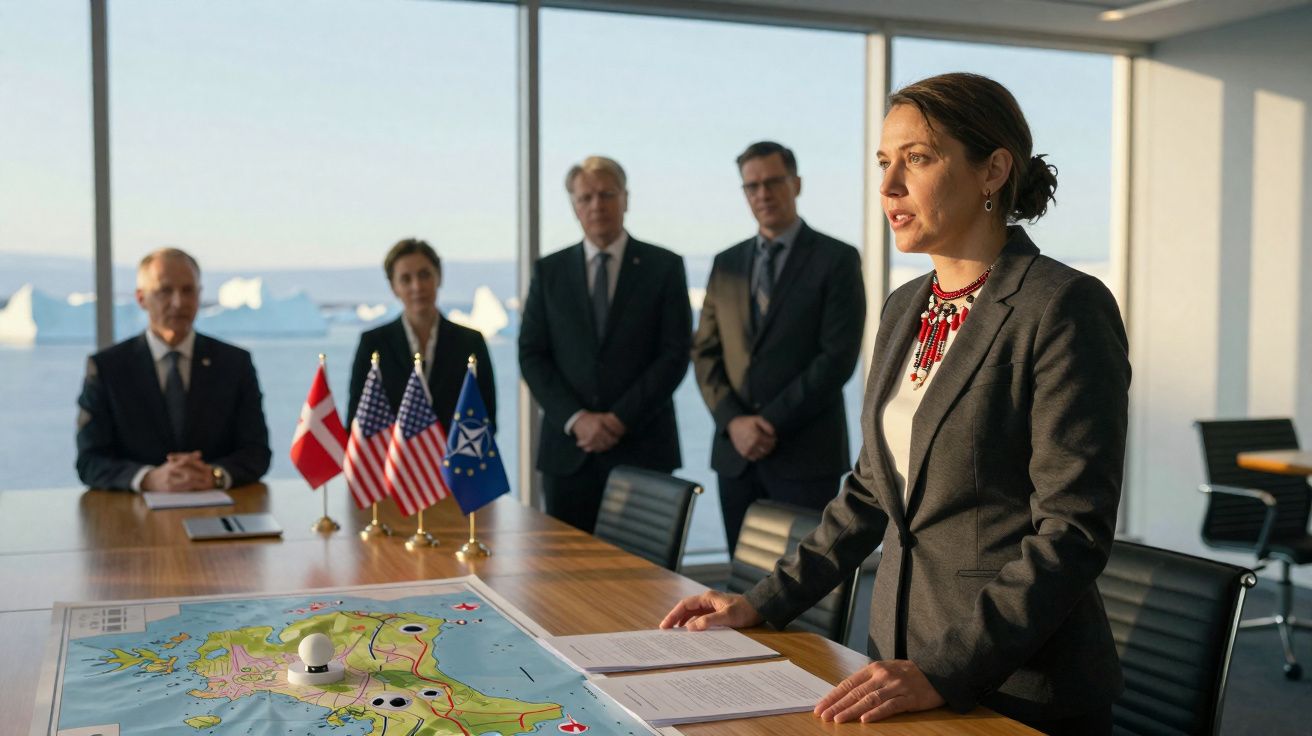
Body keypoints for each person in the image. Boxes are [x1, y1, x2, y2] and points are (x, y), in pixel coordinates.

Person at [662, 73, 1130, 736]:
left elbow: (1072, 534)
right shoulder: (904, 306)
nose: (888, 186)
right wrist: (760, 603)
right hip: (896, 662)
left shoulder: (1062, 307)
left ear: (993, 170)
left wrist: (944, 668)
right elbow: (871, 492)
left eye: (918, 159)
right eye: (884, 162)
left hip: (1017, 686)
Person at [692, 141, 866, 553]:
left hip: (804, 454)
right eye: (752, 186)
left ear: (796, 184)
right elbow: (704, 353)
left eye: (773, 182)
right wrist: (735, 422)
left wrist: (767, 423)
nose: (763, 194)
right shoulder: (726, 263)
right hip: (736, 456)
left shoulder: (837, 259)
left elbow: (837, 357)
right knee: (742, 580)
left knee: (805, 580)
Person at [519, 156, 692, 533]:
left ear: (626, 199)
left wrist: (618, 419)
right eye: (586, 197)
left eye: (607, 194)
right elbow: (532, 354)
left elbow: (675, 354)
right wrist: (577, 419)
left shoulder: (664, 266)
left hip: (643, 449)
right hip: (569, 454)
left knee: (645, 568)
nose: (597, 205)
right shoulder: (549, 271)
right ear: (574, 206)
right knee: (565, 565)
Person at [76, 248, 272, 491]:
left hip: (218, 508)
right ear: (141, 298)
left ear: (199, 295)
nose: (178, 302)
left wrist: (215, 475)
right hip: (133, 511)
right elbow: (89, 460)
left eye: (188, 290)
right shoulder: (107, 368)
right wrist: (148, 478)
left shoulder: (235, 363)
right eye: (165, 291)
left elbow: (257, 452)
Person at [348, 238, 495, 436]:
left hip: (455, 455)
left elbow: (488, 419)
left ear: (439, 277)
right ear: (393, 287)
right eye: (405, 279)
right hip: (391, 455)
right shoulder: (373, 344)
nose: (417, 286)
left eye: (424, 275)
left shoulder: (471, 343)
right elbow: (356, 422)